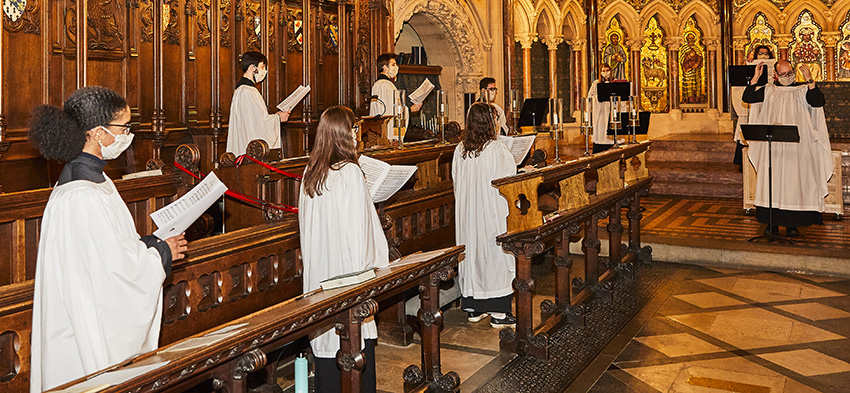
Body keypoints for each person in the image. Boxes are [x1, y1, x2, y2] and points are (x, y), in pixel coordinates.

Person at [28, 86, 188, 392]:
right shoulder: (81, 196)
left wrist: (152, 244)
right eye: (123, 128)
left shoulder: (96, 182)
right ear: (98, 133)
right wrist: (160, 255)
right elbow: (113, 280)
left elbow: (112, 255)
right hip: (79, 342)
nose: (128, 135)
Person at [299, 106, 387, 392]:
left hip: (321, 275)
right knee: (354, 348)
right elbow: (361, 233)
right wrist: (372, 270)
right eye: (353, 129)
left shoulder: (310, 172)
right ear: (342, 134)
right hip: (349, 275)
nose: (356, 134)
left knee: (328, 352)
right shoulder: (349, 172)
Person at [742, 60, 832, 237]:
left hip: (798, 149)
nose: (786, 77)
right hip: (774, 148)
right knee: (773, 184)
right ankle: (772, 224)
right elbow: (748, 98)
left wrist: (809, 80)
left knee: (794, 185)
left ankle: (793, 225)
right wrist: (755, 79)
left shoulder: (803, 90)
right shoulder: (768, 91)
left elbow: (818, 101)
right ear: (775, 75)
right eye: (782, 74)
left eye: (789, 73)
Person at [452, 102, 517, 328]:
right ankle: (499, 312)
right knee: (492, 256)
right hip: (491, 213)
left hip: (468, 215)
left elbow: (456, 182)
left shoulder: (460, 150)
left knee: (473, 257)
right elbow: (509, 183)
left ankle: (473, 308)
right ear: (491, 123)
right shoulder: (496, 149)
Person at [226, 51, 289, 156]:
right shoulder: (246, 92)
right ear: (252, 68)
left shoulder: (247, 90)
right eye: (262, 67)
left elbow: (256, 121)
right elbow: (257, 126)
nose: (264, 71)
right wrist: (278, 118)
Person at [734, 45, 776, 167]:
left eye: (766, 53)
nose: (763, 55)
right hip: (754, 102)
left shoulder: (773, 68)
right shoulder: (751, 68)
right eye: (760, 53)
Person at [369, 53, 422, 142]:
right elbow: (391, 111)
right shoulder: (386, 85)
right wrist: (410, 110)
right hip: (388, 135)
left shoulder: (378, 84)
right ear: (385, 67)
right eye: (393, 65)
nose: (396, 67)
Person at [586, 64, 626, 153]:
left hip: (611, 111)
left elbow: (622, 99)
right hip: (600, 112)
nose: (605, 73)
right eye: (603, 71)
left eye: (607, 70)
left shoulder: (615, 84)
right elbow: (589, 98)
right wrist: (598, 97)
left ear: (611, 71)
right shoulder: (596, 83)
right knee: (601, 130)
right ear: (600, 73)